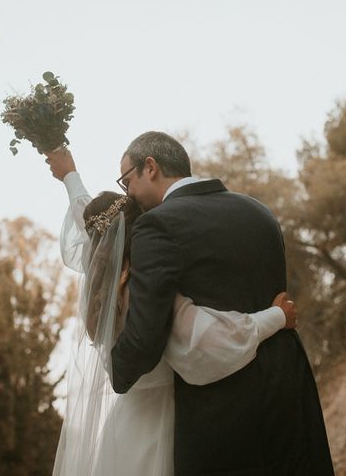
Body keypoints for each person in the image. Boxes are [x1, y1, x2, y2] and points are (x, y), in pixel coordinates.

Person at [45, 146, 298, 476]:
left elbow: (87, 221)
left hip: (125, 429)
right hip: (168, 425)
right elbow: (210, 338)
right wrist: (277, 317)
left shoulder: (100, 291)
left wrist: (70, 177)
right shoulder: (142, 289)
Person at [110, 131, 334, 475]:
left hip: (221, 407)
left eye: (127, 182)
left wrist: (116, 373)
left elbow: (146, 334)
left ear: (150, 167)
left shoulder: (157, 225)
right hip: (289, 386)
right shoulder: (258, 211)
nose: (130, 196)